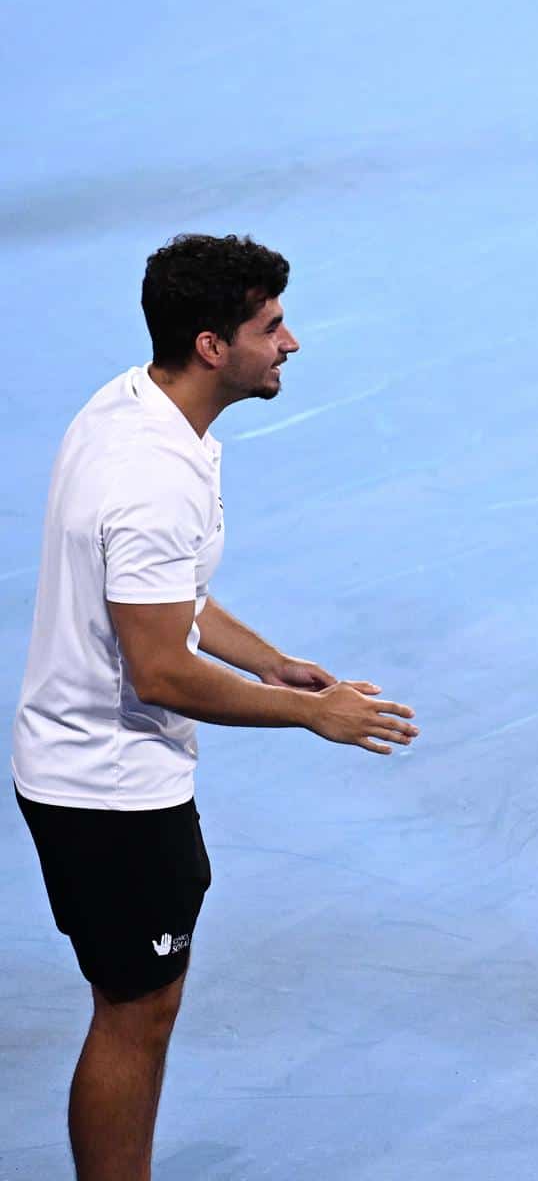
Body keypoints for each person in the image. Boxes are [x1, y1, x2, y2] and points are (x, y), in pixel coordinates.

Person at [11, 234, 419, 1181]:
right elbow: (158, 668)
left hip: (86, 773)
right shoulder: (151, 479)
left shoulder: (139, 408)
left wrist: (273, 663)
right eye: (270, 326)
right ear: (210, 345)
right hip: (109, 793)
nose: (291, 343)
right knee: (135, 1015)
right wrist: (313, 717)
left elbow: (171, 598)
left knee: (138, 1006)